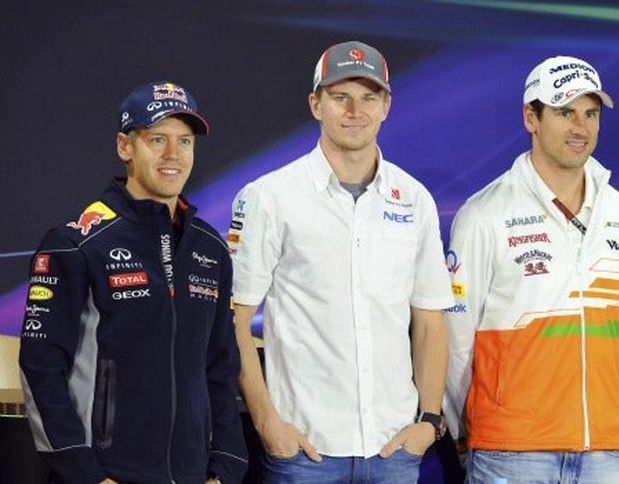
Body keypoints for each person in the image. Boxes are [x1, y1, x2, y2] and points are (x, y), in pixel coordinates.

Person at [228, 40, 453, 483]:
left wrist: (428, 421)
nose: (355, 111)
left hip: (394, 450)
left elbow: (430, 321)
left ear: (386, 106)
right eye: (340, 97)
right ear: (316, 104)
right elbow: (234, 320)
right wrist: (267, 424)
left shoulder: (414, 199)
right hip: (305, 452)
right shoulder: (269, 197)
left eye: (369, 97)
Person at [18, 81, 248, 483]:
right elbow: (40, 368)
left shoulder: (211, 249)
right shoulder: (75, 244)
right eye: (157, 139)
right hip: (105, 476)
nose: (173, 154)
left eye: (185, 141)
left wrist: (225, 469)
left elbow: (222, 368)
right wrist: (87, 475)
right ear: (125, 147)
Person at [444, 55, 619, 483]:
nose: (581, 127)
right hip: (511, 452)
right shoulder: (484, 215)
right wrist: (465, 434)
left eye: (591, 113)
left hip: (604, 452)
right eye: (565, 112)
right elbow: (456, 341)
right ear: (530, 118)